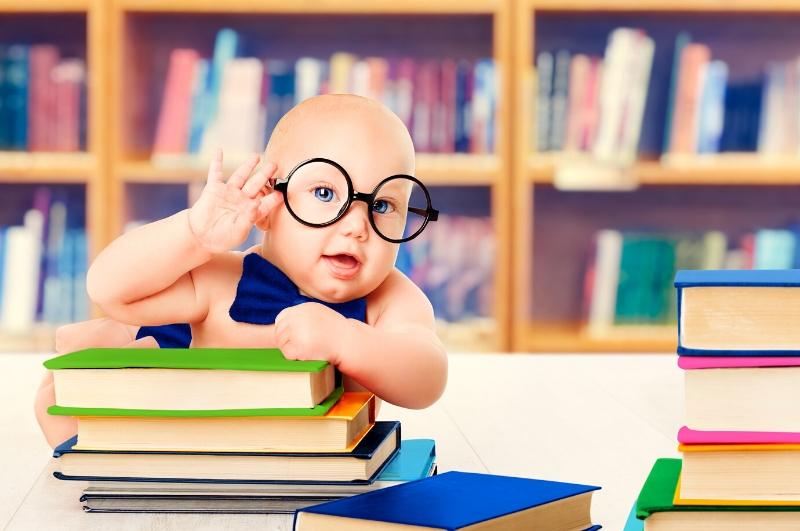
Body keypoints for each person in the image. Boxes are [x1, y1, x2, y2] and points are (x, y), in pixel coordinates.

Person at [34, 94, 448, 447]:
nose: (357, 226)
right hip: (199, 431)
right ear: (268, 204)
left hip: (311, 464)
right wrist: (194, 235)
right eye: (325, 192)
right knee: (68, 410)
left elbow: (427, 376)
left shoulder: (389, 298)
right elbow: (108, 289)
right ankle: (119, 344)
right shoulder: (224, 278)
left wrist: (346, 340)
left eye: (382, 205)